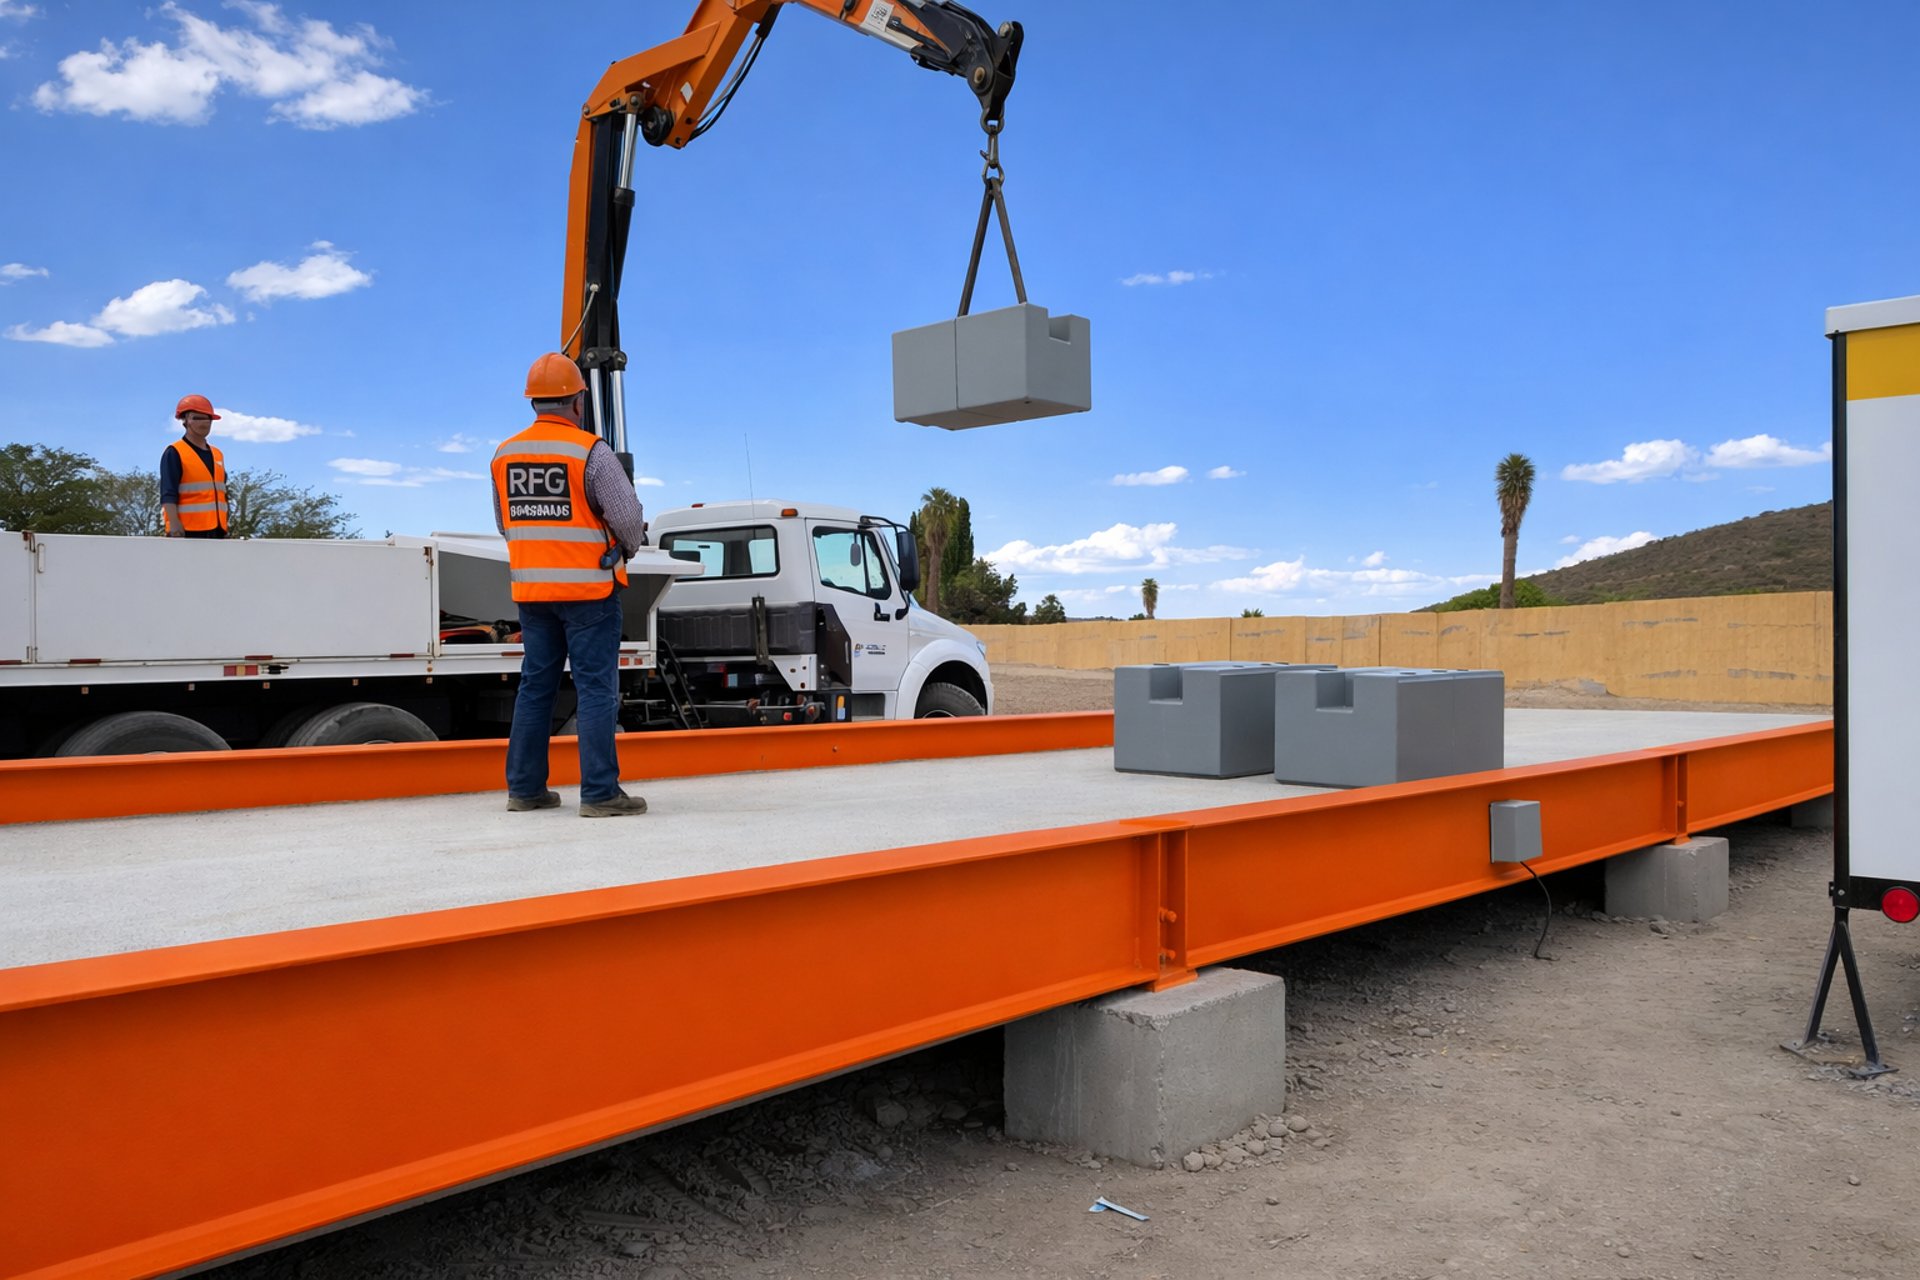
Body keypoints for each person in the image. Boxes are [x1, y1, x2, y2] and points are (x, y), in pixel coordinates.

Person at [491, 352, 650, 817]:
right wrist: (628, 547)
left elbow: (504, 523)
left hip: (533, 594)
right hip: (589, 592)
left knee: (535, 688)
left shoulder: (504, 456)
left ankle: (525, 790)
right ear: (579, 400)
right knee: (596, 689)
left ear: (533, 403)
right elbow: (628, 518)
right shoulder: (591, 452)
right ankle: (600, 794)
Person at [161, 394, 230, 538]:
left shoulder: (218, 455)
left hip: (217, 530)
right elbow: (168, 492)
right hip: (187, 530)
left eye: (207, 418)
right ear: (185, 421)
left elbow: (222, 495)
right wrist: (174, 524)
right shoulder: (175, 452)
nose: (204, 423)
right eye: (197, 418)